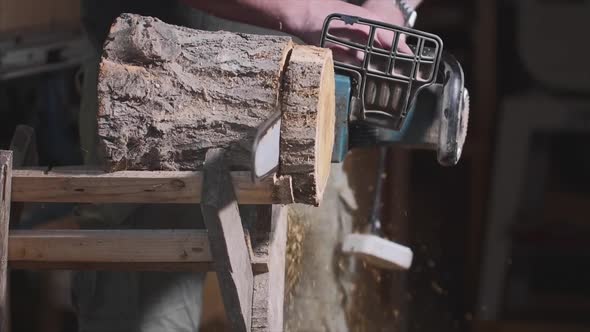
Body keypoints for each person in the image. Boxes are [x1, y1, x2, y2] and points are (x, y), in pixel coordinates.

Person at [75, 1, 422, 331]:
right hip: (154, 87)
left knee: (314, 305)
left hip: (312, 84)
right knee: (147, 315)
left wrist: (393, 5)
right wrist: (307, 9)